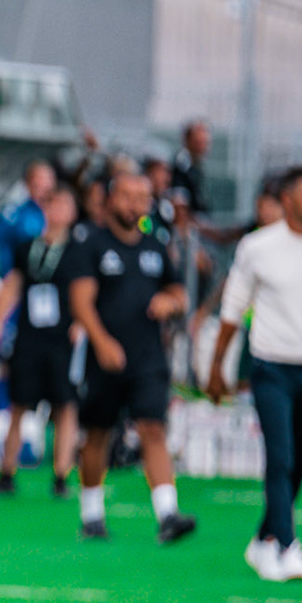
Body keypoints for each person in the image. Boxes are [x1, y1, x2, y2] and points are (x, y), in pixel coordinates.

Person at [206, 167, 302, 582]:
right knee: (280, 456)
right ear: (287, 199)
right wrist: (216, 367)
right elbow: (233, 309)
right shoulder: (258, 246)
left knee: (301, 464)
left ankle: (263, 538)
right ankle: (288, 546)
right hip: (271, 367)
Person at [66, 171, 196, 546]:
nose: (135, 204)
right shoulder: (90, 242)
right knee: (98, 435)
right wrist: (102, 341)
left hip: (148, 355)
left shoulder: (155, 245)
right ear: (109, 199)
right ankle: (91, 514)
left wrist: (171, 302)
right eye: (127, 196)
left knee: (153, 427)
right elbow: (81, 301)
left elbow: (177, 290)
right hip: (105, 357)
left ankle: (168, 514)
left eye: (142, 197)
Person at [0, 184, 82, 496]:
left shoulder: (79, 251)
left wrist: (83, 322)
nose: (59, 212)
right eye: (54, 205)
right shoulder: (28, 248)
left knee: (65, 406)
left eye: (65, 205)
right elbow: (14, 284)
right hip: (30, 337)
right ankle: (6, 471)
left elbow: (88, 291)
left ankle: (62, 474)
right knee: (19, 403)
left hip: (63, 338)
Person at [0, 161, 55, 280]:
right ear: (28, 183)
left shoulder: (57, 212)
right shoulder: (16, 213)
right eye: (39, 180)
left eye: (48, 179)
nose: (45, 185)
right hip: (18, 281)